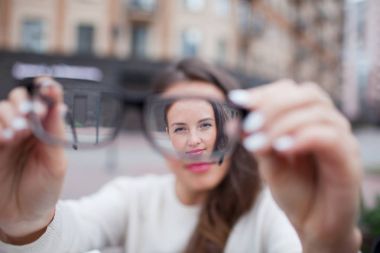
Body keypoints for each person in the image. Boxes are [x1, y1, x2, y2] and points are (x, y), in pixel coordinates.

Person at [0, 58, 362, 253]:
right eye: (179, 129)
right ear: (164, 136)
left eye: (206, 124)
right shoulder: (135, 199)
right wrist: (25, 223)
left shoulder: (269, 209)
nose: (195, 143)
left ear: (230, 128)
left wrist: (328, 247)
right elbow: (75, 232)